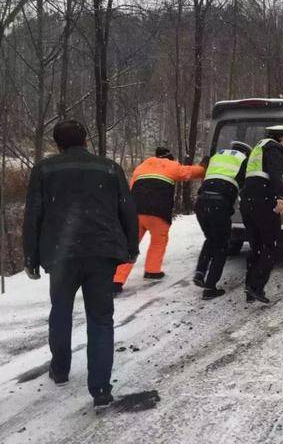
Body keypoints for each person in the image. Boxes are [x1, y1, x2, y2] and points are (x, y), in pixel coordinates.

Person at [22, 120, 139, 408]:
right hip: (101, 253)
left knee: (60, 310)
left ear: (57, 143)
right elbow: (127, 208)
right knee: (100, 319)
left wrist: (31, 257)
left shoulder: (45, 170)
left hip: (61, 253)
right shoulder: (109, 167)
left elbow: (33, 214)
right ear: (86, 140)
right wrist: (131, 247)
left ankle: (60, 370)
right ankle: (100, 388)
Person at [112, 147, 205, 294]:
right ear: (169, 157)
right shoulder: (171, 165)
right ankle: (152, 270)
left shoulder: (141, 166)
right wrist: (204, 168)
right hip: (158, 212)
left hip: (136, 211)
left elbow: (131, 188)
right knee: (158, 241)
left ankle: (116, 280)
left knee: (130, 245)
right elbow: (189, 172)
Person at [240, 125, 283, 304]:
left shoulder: (257, 149)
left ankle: (250, 288)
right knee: (270, 246)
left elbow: (241, 176)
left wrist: (247, 193)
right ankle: (256, 287)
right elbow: (275, 174)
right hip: (264, 201)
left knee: (256, 247)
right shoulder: (275, 149)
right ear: (282, 138)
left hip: (248, 202)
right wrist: (280, 197)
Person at [193, 141, 252, 300]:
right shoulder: (244, 160)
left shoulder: (218, 156)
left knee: (211, 239)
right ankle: (210, 288)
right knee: (221, 246)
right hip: (219, 204)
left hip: (201, 203)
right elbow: (246, 186)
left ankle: (200, 272)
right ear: (247, 152)